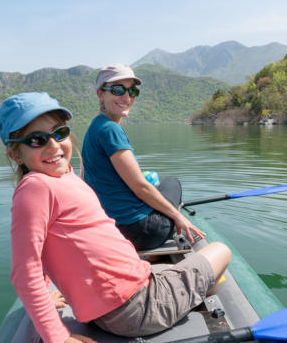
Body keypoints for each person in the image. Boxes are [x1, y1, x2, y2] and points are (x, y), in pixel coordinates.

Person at [0, 91, 231, 343]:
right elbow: (25, 271)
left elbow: (47, 246)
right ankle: (190, 296)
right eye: (37, 139)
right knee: (220, 251)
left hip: (124, 296)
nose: (53, 146)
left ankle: (186, 291)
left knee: (181, 269)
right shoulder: (35, 189)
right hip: (135, 308)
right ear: (15, 153)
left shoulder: (61, 177)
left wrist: (49, 292)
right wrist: (56, 337)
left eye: (59, 133)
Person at [81, 64, 205, 252]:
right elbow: (139, 186)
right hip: (142, 232)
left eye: (132, 91)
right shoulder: (110, 129)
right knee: (172, 183)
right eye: (118, 90)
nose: (127, 97)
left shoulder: (94, 128)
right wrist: (177, 217)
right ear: (100, 93)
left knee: (155, 186)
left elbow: (85, 180)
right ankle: (173, 217)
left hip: (114, 227)